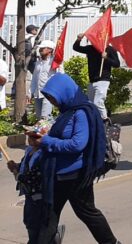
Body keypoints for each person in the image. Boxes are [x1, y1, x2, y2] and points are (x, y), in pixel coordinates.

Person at [7, 73, 118, 244]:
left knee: (83, 213)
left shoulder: (81, 112)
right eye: (50, 99)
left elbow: (77, 144)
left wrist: (45, 140)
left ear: (65, 92)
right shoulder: (67, 111)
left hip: (75, 175)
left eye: (53, 98)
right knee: (52, 214)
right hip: (59, 173)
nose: (53, 102)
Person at [72, 33, 121, 119]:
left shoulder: (110, 49)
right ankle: (93, 122)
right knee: (90, 104)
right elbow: (76, 48)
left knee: (98, 102)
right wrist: (79, 39)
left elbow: (117, 64)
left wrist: (106, 58)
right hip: (92, 81)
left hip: (103, 80)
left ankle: (105, 121)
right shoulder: (90, 48)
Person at [30, 40, 61, 120]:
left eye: (43, 48)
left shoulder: (54, 62)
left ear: (50, 50)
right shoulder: (38, 62)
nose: (40, 50)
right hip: (38, 93)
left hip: (48, 94)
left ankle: (47, 132)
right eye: (40, 49)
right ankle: (42, 132)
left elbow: (60, 76)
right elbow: (34, 78)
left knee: (45, 117)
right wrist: (30, 92)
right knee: (39, 117)